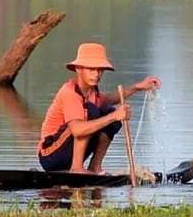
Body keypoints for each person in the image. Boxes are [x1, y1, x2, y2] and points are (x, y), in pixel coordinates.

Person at [37, 42, 160, 174]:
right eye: (91, 69)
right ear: (78, 69)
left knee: (108, 113)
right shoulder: (70, 93)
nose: (96, 74)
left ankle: (95, 167)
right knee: (93, 112)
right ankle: (77, 168)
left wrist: (138, 87)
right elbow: (77, 130)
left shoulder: (92, 92)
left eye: (100, 70)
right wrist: (114, 116)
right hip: (50, 155)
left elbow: (110, 99)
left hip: (67, 152)